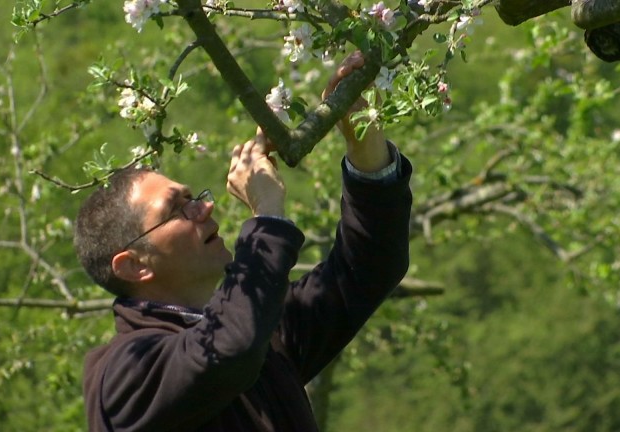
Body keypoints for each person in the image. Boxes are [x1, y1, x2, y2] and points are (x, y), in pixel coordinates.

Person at [75, 52, 413, 432]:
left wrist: (363, 142)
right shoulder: (123, 374)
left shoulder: (259, 334)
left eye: (193, 197)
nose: (204, 208)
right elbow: (228, 349)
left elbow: (369, 266)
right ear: (134, 264)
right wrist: (267, 214)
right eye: (176, 209)